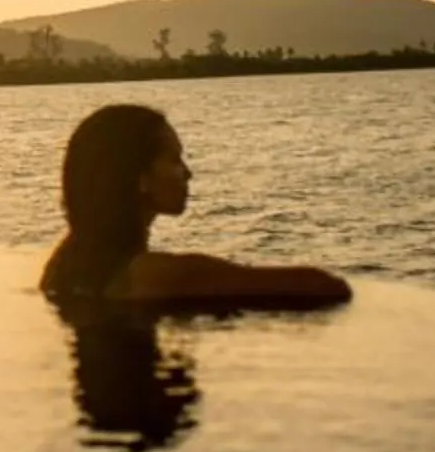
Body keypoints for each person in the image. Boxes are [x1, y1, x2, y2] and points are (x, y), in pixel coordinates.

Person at [37, 103, 352, 307]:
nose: (188, 173)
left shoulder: (64, 263)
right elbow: (326, 287)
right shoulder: (158, 275)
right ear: (139, 177)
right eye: (174, 160)